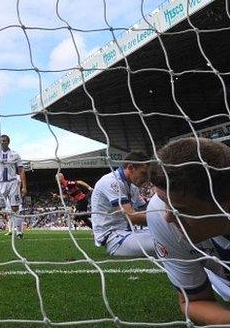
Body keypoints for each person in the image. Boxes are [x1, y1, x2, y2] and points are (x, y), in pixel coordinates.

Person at [147, 137, 230, 325]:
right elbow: (193, 301)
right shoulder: (159, 214)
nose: (168, 217)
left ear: (225, 202)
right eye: (164, 202)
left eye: (181, 210)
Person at [90, 151, 154, 256]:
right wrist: (162, 220)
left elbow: (145, 209)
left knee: (168, 237)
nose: (146, 178)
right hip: (114, 237)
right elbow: (132, 217)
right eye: (143, 173)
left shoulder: (133, 187)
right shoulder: (111, 181)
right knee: (165, 243)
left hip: (129, 233)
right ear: (130, 167)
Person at [0, 135, 27, 240]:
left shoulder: (15, 154)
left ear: (8, 142)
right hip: (0, 184)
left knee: (15, 208)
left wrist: (24, 186)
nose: (2, 142)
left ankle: (19, 232)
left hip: (12, 183)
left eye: (4, 141)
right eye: (1, 141)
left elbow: (21, 170)